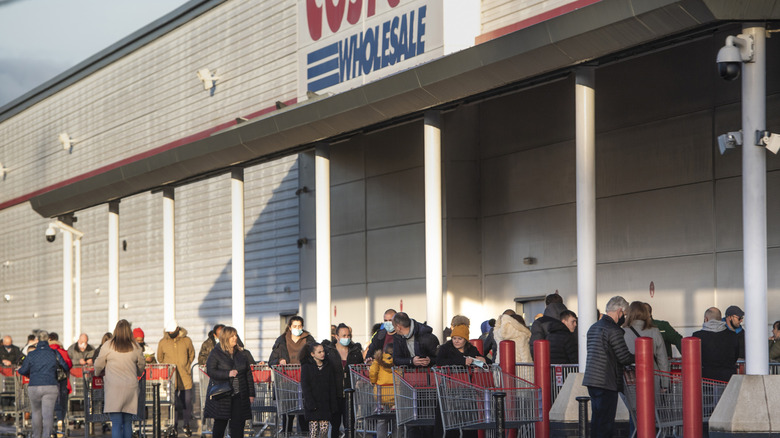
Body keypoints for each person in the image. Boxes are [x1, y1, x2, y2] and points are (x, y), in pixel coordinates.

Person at [582, 296, 634, 438]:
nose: (624, 317)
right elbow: (623, 357)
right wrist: (640, 357)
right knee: (606, 423)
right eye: (625, 314)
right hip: (606, 380)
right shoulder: (613, 330)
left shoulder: (594, 327)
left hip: (592, 379)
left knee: (597, 420)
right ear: (619, 311)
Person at [93, 320, 146, 438]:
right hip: (130, 387)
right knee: (128, 422)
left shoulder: (108, 345)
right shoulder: (135, 346)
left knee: (116, 423)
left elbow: (98, 363)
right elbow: (142, 363)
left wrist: (97, 373)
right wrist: (138, 372)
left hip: (114, 388)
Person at [203, 326, 255, 438]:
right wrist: (227, 374)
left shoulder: (241, 354)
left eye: (236, 335)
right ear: (225, 338)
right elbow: (211, 371)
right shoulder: (216, 353)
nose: (235, 338)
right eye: (232, 336)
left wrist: (251, 394)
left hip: (239, 394)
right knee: (220, 424)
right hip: (222, 394)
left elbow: (248, 375)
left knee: (238, 425)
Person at [18, 330, 70, 438]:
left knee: (36, 413)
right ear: (48, 340)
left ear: (38, 340)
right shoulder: (54, 353)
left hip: (34, 386)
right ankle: (47, 435)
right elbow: (65, 366)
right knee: (48, 414)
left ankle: (36, 435)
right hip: (51, 385)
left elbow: (23, 370)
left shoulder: (31, 354)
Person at [268, 316, 316, 434]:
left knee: (304, 413)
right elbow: (271, 361)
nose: (297, 329)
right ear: (289, 327)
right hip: (287, 381)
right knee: (288, 413)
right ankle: (287, 433)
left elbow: (316, 357)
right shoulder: (281, 341)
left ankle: (305, 434)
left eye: (299, 326)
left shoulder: (309, 340)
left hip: (304, 380)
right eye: (294, 326)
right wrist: (279, 361)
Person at [157, 321, 196, 437]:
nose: (171, 333)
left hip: (185, 375)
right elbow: (160, 358)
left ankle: (186, 424)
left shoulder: (187, 340)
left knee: (187, 401)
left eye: (173, 331)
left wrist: (186, 365)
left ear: (178, 329)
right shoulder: (163, 342)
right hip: (171, 377)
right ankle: (173, 425)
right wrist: (167, 368)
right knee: (172, 402)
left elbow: (191, 354)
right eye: (169, 331)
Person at [326, 323, 363, 438]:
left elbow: (360, 369)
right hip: (334, 393)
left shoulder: (355, 352)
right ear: (336, 336)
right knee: (335, 424)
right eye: (343, 335)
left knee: (350, 424)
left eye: (348, 335)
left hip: (350, 393)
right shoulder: (329, 352)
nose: (346, 338)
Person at [300, 343, 337, 438]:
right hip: (312, 405)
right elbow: (305, 387)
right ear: (313, 354)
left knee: (324, 431)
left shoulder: (328, 366)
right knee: (314, 431)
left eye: (323, 351)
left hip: (325, 405)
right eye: (319, 352)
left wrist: (333, 405)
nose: (322, 354)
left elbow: (332, 386)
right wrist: (310, 403)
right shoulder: (306, 367)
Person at [693, 307, 740, 382]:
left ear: (706, 319)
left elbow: (695, 357)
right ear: (720, 319)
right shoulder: (732, 335)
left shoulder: (697, 336)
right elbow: (736, 355)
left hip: (706, 378)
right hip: (728, 378)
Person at [622, 301, 669, 372]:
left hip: (631, 377)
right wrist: (665, 381)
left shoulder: (622, 332)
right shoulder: (654, 331)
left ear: (629, 314)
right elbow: (663, 361)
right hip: (652, 376)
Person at [369, 343, 395, 438]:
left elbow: (373, 372)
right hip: (395, 394)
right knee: (396, 419)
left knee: (381, 420)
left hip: (381, 395)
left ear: (384, 352)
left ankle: (381, 436)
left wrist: (373, 381)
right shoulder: (397, 360)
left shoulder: (378, 360)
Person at [47, 332, 73, 423]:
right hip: (62, 380)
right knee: (61, 400)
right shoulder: (64, 352)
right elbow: (69, 365)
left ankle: (49, 421)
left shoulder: (45, 351)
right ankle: (60, 419)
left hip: (47, 380)